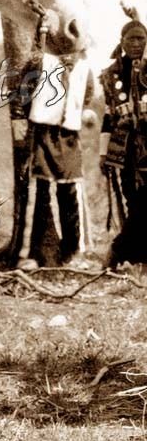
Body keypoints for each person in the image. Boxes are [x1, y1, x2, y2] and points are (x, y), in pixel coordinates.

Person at [11, 51, 95, 269]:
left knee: (72, 193)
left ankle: (74, 252)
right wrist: (25, 125)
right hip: (41, 133)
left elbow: (86, 96)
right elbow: (22, 95)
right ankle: (28, 253)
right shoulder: (40, 62)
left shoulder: (84, 68)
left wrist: (77, 114)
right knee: (37, 192)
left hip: (68, 136)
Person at [100, 18, 147, 266]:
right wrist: (102, 153)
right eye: (132, 38)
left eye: (141, 38)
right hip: (124, 148)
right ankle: (138, 257)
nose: (137, 43)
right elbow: (108, 117)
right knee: (133, 200)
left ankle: (118, 250)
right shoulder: (111, 75)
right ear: (122, 42)